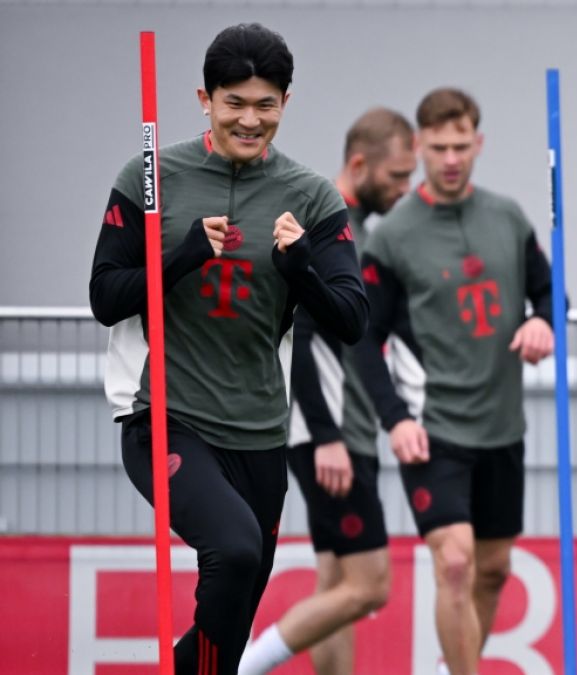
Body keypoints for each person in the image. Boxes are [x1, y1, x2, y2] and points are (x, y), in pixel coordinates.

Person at [88, 23, 367, 674]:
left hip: (260, 431)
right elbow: (105, 296)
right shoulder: (151, 178)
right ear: (204, 99)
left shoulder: (311, 195)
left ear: (285, 103)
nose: (249, 119)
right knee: (235, 552)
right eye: (233, 102)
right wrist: (181, 254)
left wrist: (301, 269)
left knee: (231, 622)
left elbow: (352, 316)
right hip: (165, 417)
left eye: (265, 104)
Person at [355, 87, 554, 675]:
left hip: (502, 426)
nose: (449, 159)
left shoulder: (507, 217)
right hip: (432, 428)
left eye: (460, 146)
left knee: (491, 570)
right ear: (419, 145)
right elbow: (362, 339)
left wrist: (542, 321)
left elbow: (550, 291)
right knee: (456, 562)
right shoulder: (392, 235)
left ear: (478, 143)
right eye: (438, 147)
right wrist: (394, 420)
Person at [237, 108, 417, 675]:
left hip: (344, 431)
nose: (405, 188)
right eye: (397, 175)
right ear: (359, 164)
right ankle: (242, 665)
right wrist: (327, 435)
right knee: (370, 585)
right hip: (328, 434)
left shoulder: (359, 231)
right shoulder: (326, 224)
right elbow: (305, 332)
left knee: (336, 584)